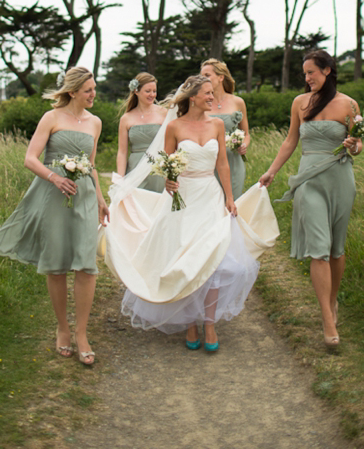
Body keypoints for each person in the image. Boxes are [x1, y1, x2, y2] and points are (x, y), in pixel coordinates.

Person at [104, 75, 279, 352]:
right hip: (183, 199)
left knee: (214, 259)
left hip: (210, 195)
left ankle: (209, 322)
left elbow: (222, 163)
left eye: (212, 93)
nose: (213, 97)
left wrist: (229, 199)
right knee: (185, 257)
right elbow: (166, 164)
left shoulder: (218, 124)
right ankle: (190, 322)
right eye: (208, 93)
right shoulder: (173, 126)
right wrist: (169, 181)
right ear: (193, 97)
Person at [0, 67, 110, 366]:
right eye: (88, 90)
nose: (94, 94)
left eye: (94, 88)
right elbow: (30, 158)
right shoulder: (51, 118)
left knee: (86, 264)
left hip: (81, 198)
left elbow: (91, 165)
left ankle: (82, 333)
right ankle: (62, 329)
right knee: (55, 265)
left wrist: (100, 197)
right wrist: (54, 178)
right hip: (53, 197)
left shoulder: (95, 123)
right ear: (72, 92)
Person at [259, 50, 360, 349]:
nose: (307, 78)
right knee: (319, 250)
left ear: (327, 71)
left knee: (336, 249)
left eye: (311, 72)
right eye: (304, 73)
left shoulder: (349, 104)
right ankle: (327, 321)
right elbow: (291, 140)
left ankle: (331, 302)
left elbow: (358, 145)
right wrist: (271, 172)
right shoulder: (300, 103)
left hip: (340, 178)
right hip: (308, 179)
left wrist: (354, 145)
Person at [200, 58, 250, 199]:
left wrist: (244, 144)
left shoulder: (238, 102)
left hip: (233, 161)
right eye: (201, 76)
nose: (203, 79)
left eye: (207, 75)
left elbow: (246, 134)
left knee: (233, 202)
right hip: (209, 161)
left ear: (221, 77)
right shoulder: (200, 103)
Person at [115, 72, 167, 191]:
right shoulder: (126, 118)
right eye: (148, 91)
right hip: (135, 169)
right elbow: (122, 152)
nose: (152, 95)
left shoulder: (164, 113)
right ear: (136, 91)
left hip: (158, 167)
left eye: (154, 91)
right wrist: (120, 179)